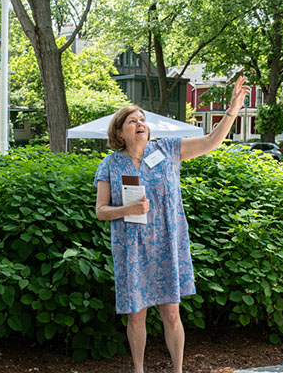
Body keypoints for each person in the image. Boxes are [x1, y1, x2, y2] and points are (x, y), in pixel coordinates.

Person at [94, 76, 250, 373]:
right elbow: (101, 211)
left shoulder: (166, 150)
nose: (140, 123)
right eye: (132, 121)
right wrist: (128, 208)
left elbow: (211, 142)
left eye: (142, 119)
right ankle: (138, 370)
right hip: (132, 247)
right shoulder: (110, 164)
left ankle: (177, 370)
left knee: (171, 312)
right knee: (135, 316)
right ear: (119, 131)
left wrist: (232, 109)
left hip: (167, 243)